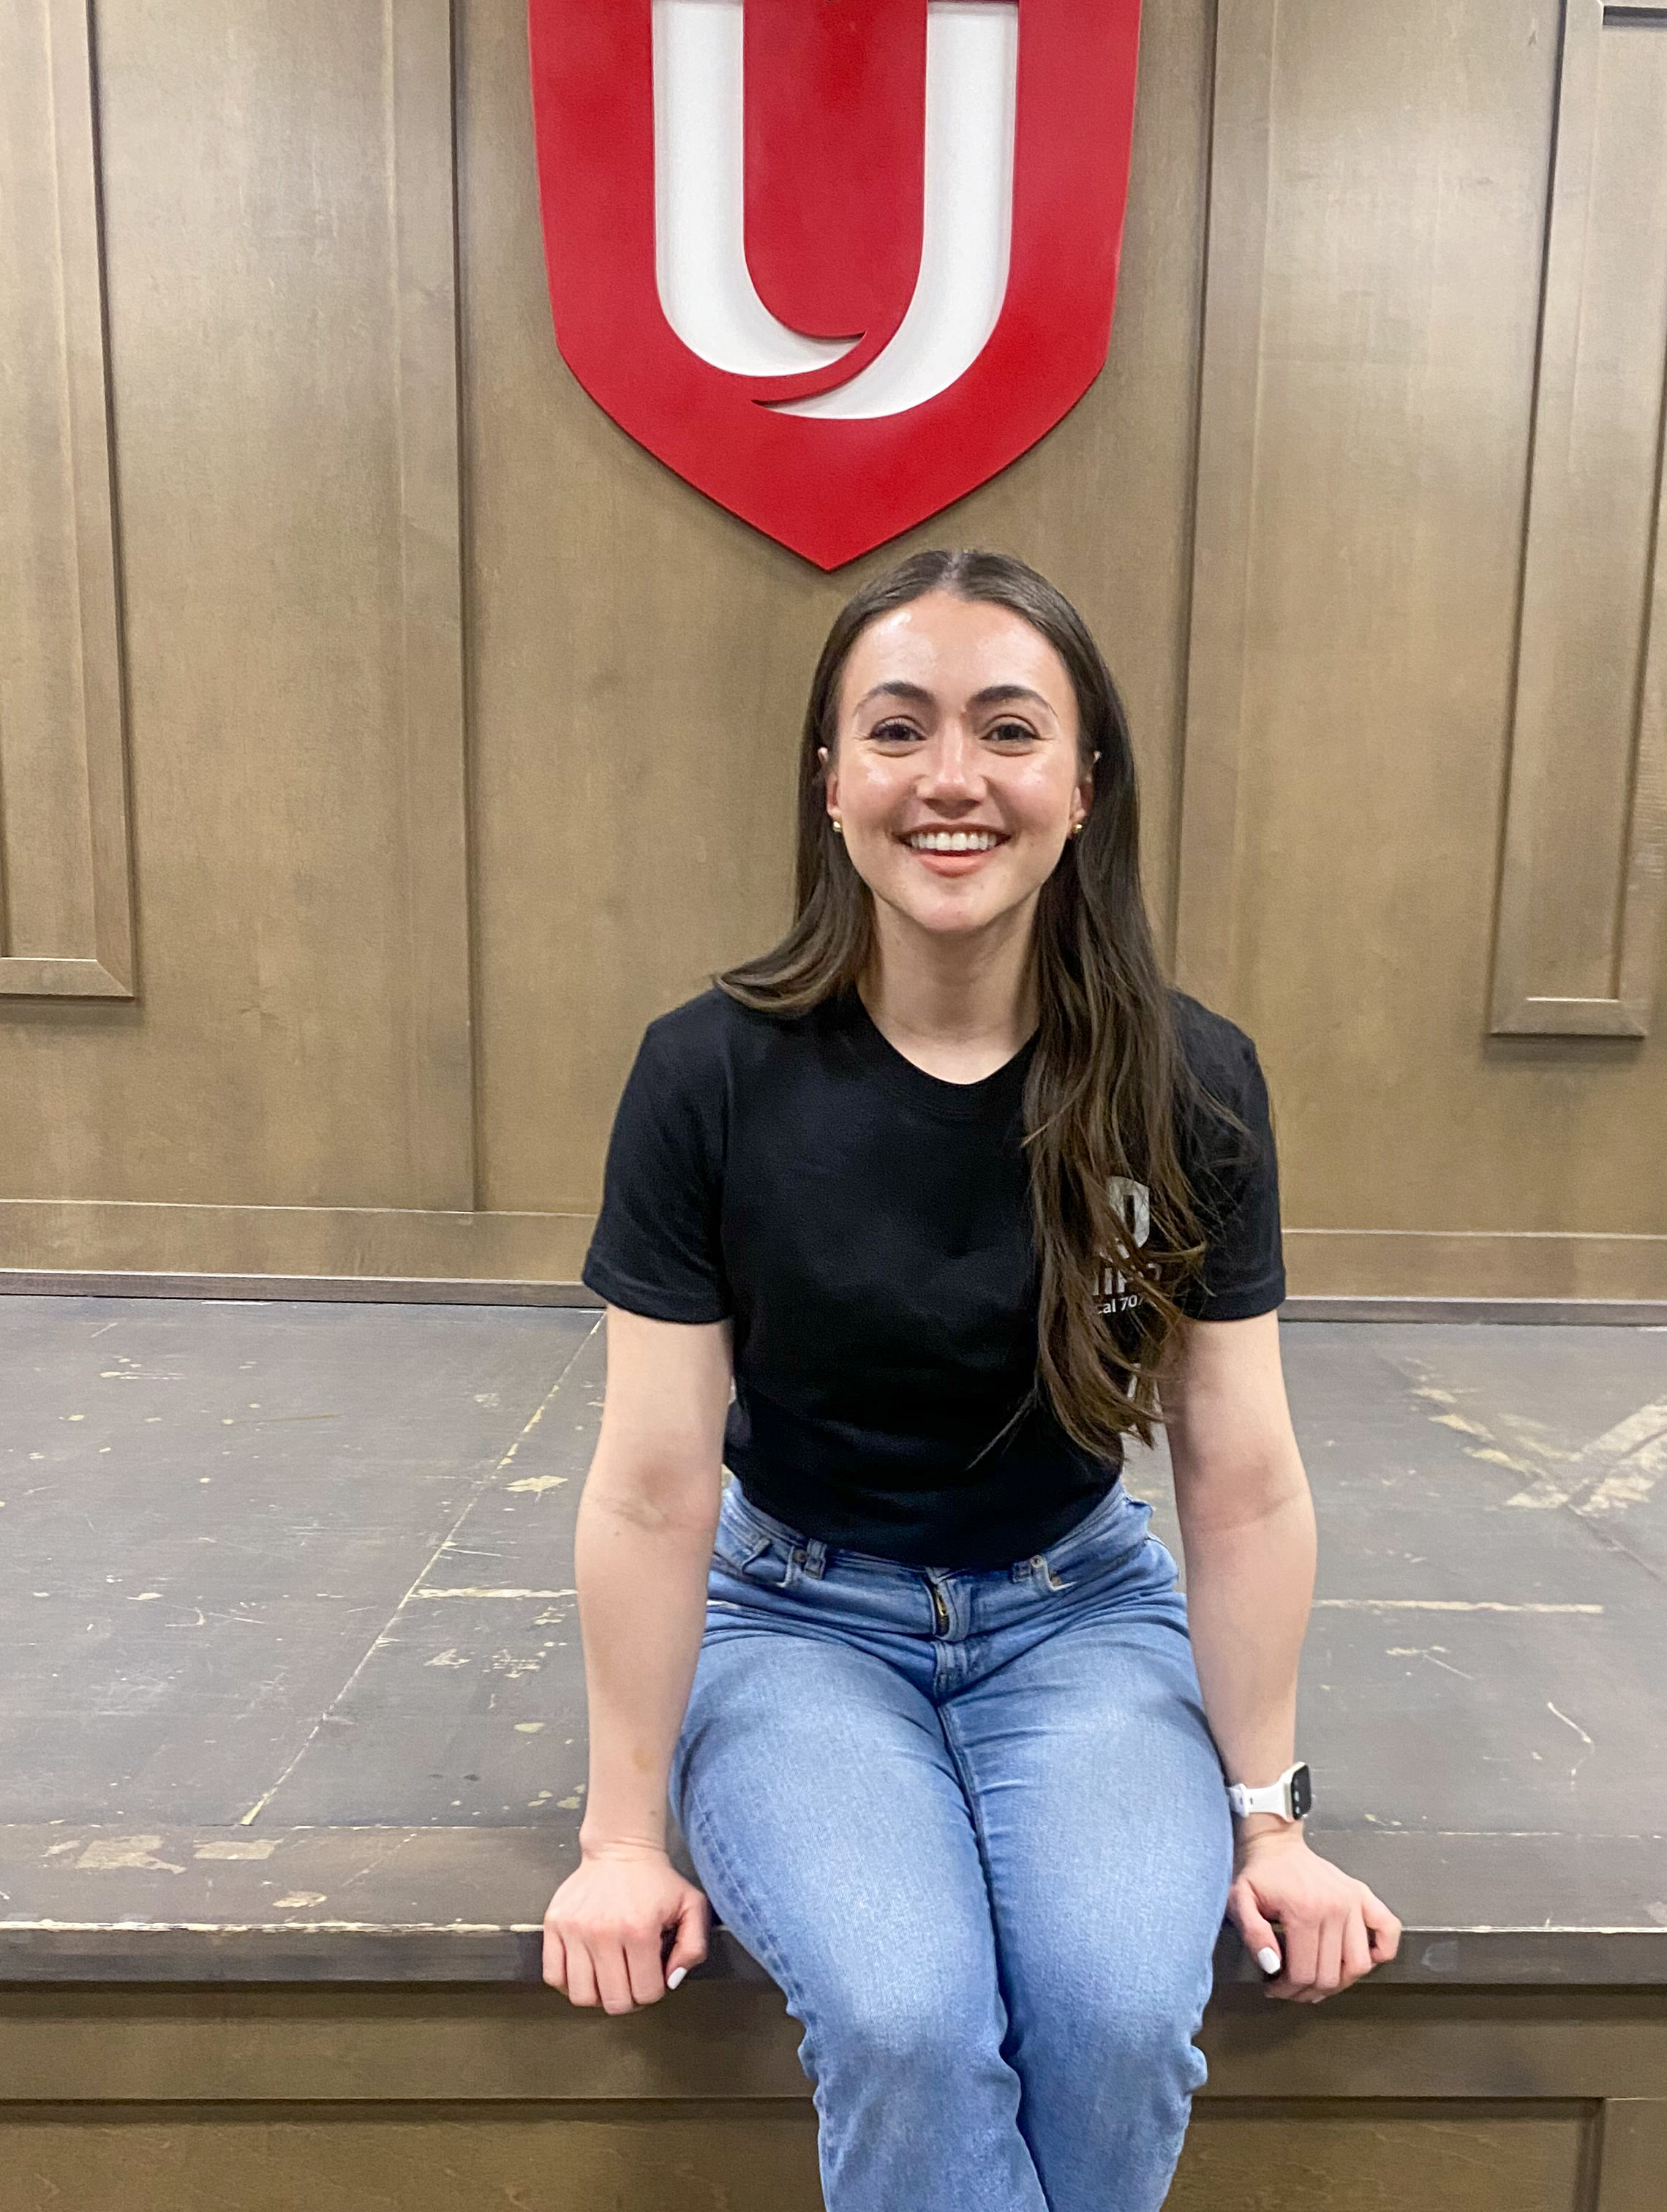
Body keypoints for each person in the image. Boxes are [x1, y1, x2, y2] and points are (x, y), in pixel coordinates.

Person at [542, 548, 1401, 2211]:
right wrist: (621, 1838)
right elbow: (652, 1487)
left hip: (1075, 1617)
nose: (952, 779)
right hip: (800, 1623)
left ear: (1083, 789)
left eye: (1009, 731)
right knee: (910, 2022)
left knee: (1122, 2013)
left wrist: (1271, 1821)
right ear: (832, 783)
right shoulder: (706, 1074)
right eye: (899, 730)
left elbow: (1245, 1479)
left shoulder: (1189, 1081)